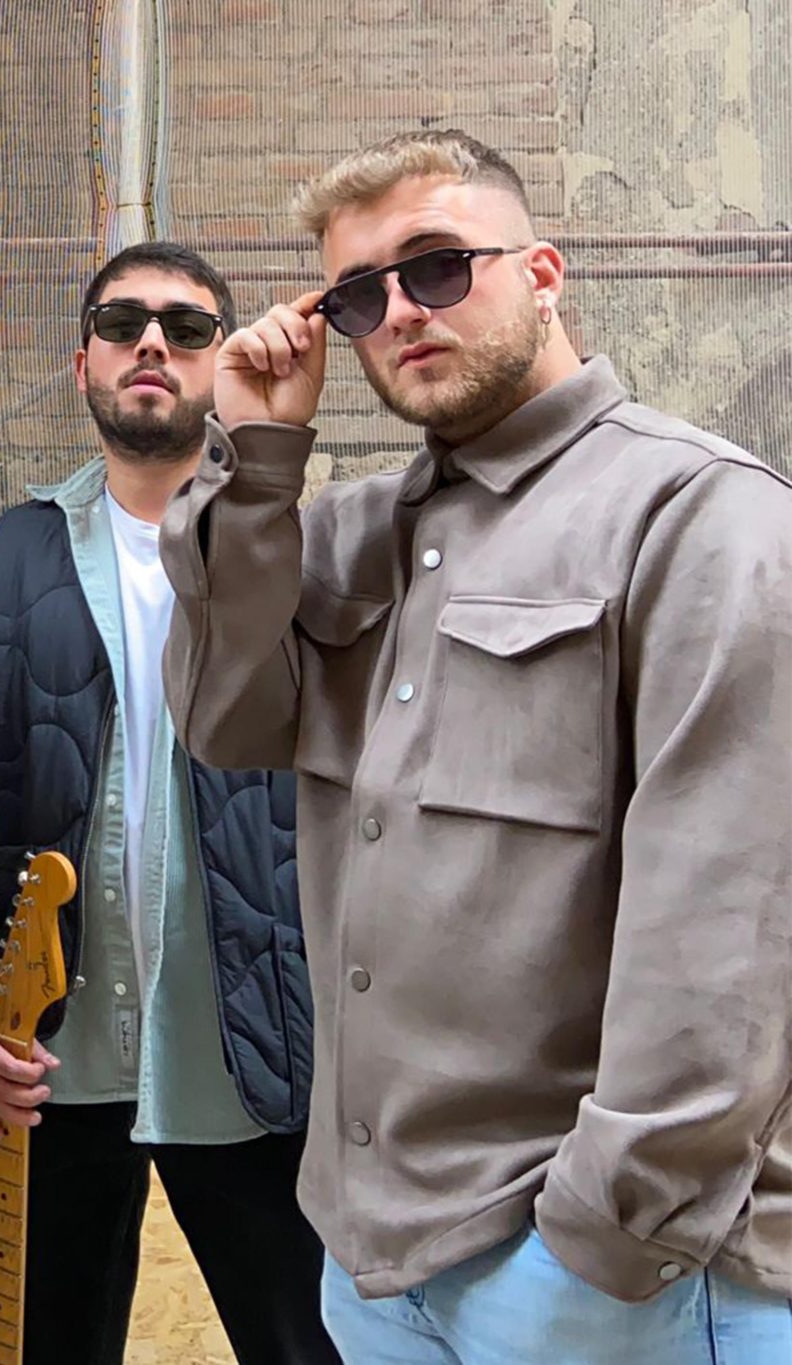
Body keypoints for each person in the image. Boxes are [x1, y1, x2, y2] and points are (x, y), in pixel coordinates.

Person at [161, 127, 792, 1362]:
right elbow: (227, 721)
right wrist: (256, 464)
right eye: (355, 297)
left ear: (541, 273)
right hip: (373, 1264)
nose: (398, 311)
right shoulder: (348, 537)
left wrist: (597, 1243)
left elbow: (731, 930)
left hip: (605, 1282)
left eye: (437, 266)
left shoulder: (699, 517)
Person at [0, 241, 338, 1364]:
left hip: (255, 1045)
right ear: (82, 362)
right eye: (121, 323)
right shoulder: (10, 557)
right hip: (53, 1052)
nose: (151, 343)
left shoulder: (296, 549)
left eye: (186, 328)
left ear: (220, 364)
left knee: (306, 1343)